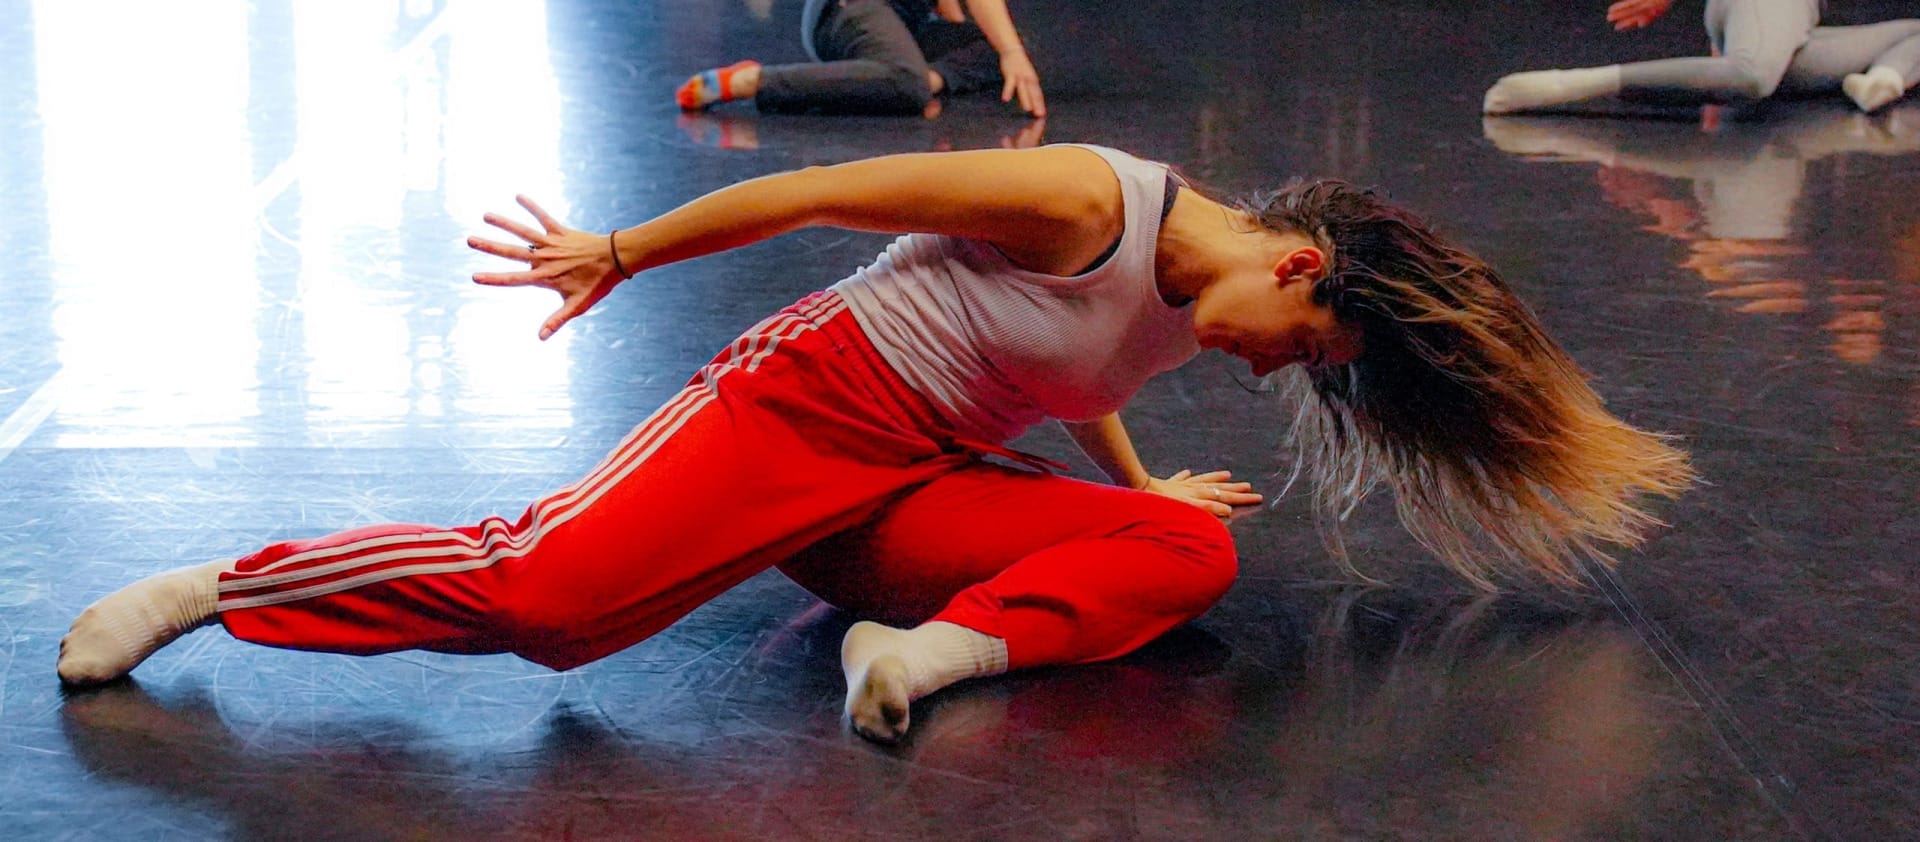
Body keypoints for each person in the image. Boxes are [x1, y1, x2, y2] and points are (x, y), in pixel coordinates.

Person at [56, 144, 1695, 743]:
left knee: (1191, 545)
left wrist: (1131, 493)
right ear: (1302, 267)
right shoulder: (1088, 199)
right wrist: (618, 251)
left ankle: (921, 660)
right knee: (555, 605)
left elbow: (1069, 373)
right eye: (1314, 354)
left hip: (902, 490)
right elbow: (827, 191)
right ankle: (223, 584)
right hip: (805, 406)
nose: (1286, 374)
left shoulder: (1185, 301)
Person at [1484, 0, 1920, 115]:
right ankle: (1576, 83)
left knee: (1760, 77)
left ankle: (1883, 79)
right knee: (1753, 78)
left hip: (1793, 22)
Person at [676, 0, 1045, 117]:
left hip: (901, 21)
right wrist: (1008, 51)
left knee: (1007, 44)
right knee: (908, 85)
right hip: (848, 12)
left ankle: (924, 76)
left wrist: (1005, 49)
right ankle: (756, 80)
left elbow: (951, 12)